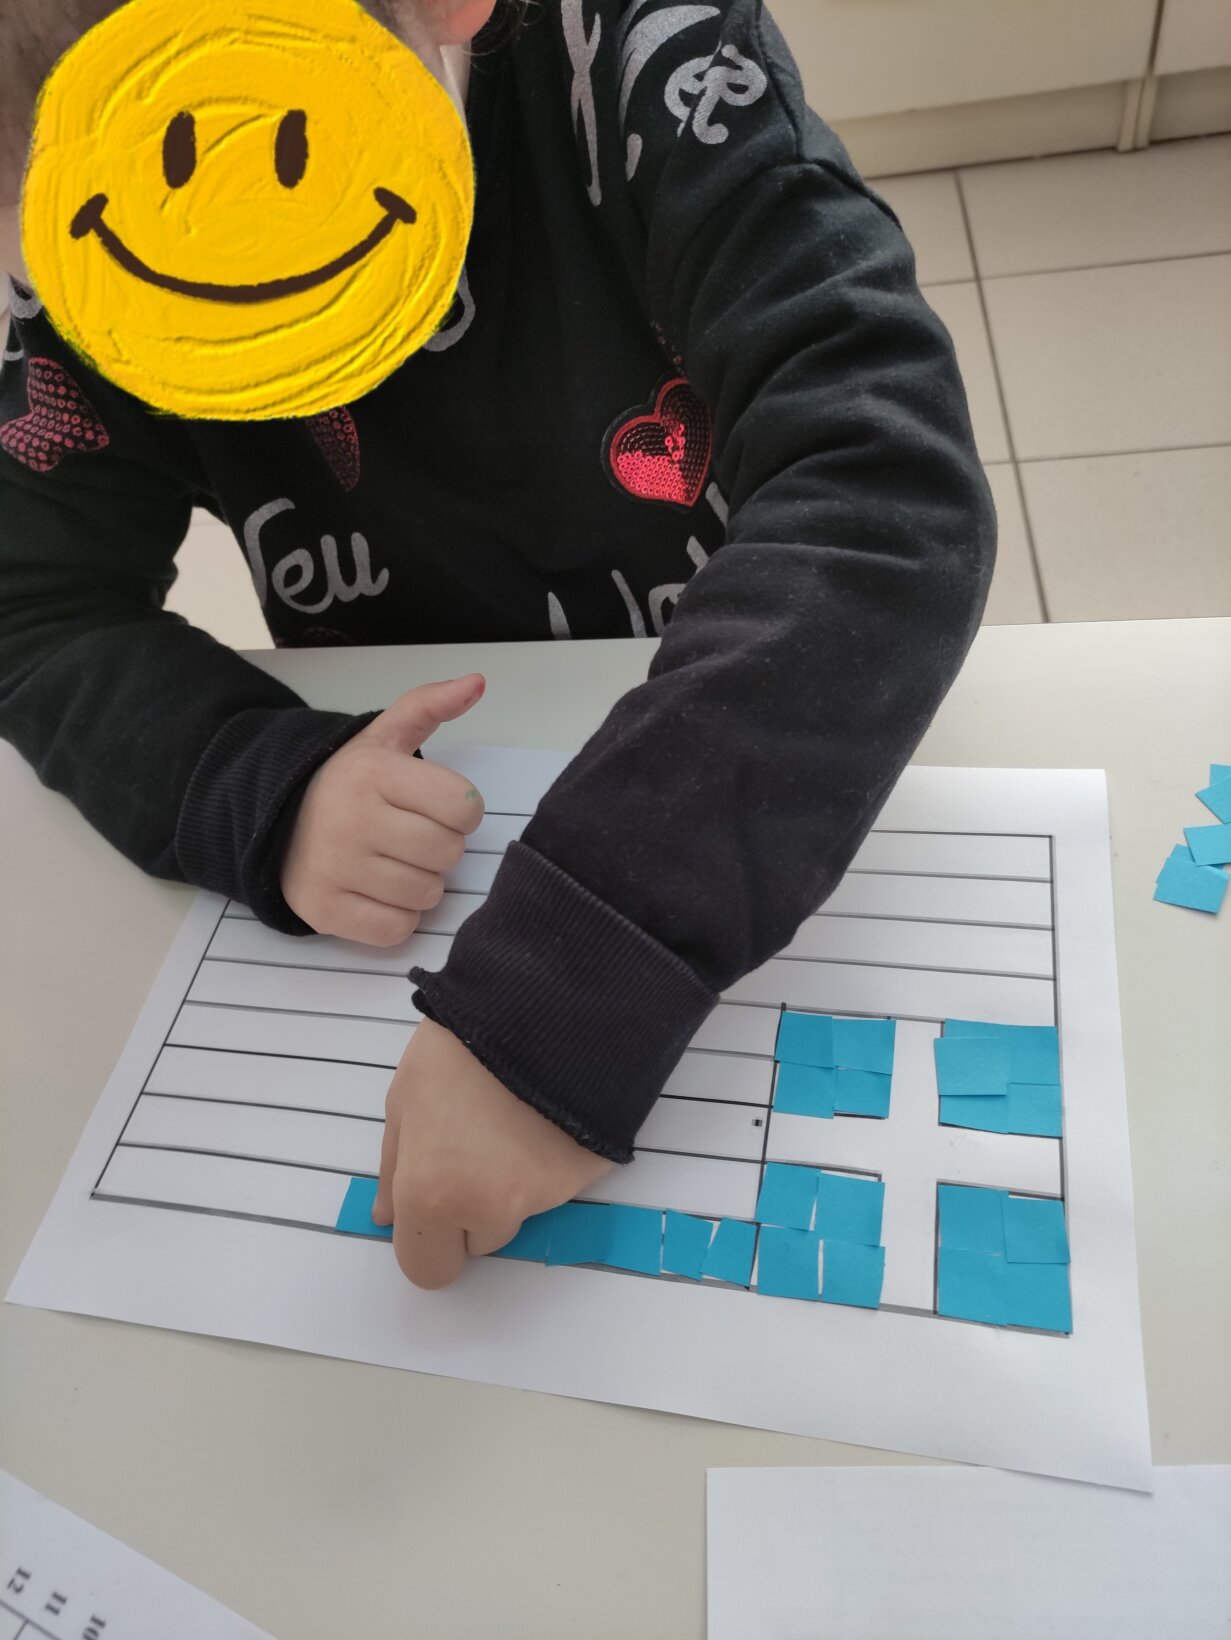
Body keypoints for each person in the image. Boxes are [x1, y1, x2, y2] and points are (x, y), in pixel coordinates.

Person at [0, 0, 997, 1290]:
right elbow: (32, 598)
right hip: (448, 785)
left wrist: (569, 997)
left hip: (755, 719)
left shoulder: (652, 65)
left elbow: (884, 487)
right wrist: (258, 784)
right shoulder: (84, 234)